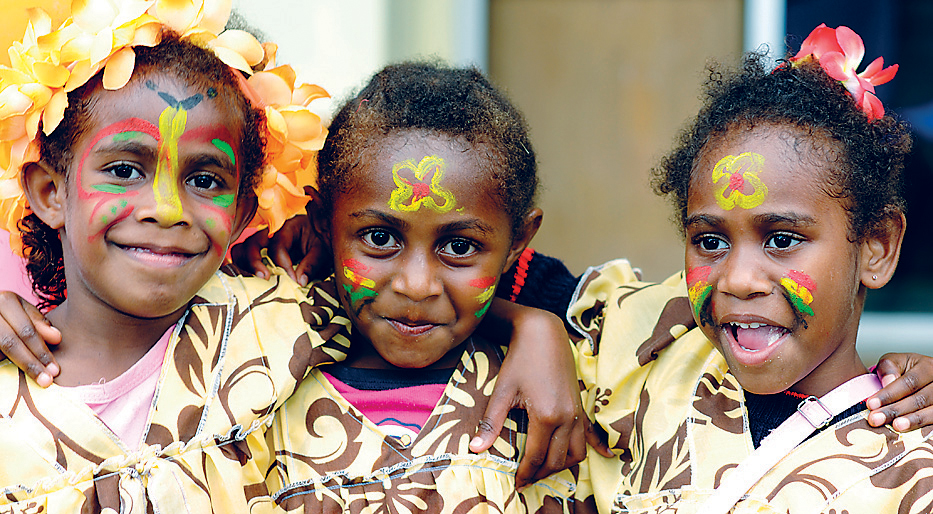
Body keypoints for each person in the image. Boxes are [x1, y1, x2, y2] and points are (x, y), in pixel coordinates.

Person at [0, 5, 589, 511]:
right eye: (125, 170)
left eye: (205, 179)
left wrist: (533, 323)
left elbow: (418, 296)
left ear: (242, 212)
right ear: (50, 191)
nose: (169, 210)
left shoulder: (274, 320)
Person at [569, 24, 932, 512]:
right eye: (710, 241)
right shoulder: (652, 350)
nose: (738, 279)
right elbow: (482, 274)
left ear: (876, 247)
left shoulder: (911, 472)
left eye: (782, 239)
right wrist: (530, 329)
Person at [255, 61, 592, 511]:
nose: (417, 286)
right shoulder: (256, 373)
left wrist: (539, 324)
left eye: (458, 245)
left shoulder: (561, 386)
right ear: (320, 223)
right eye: (380, 238)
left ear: (518, 242)